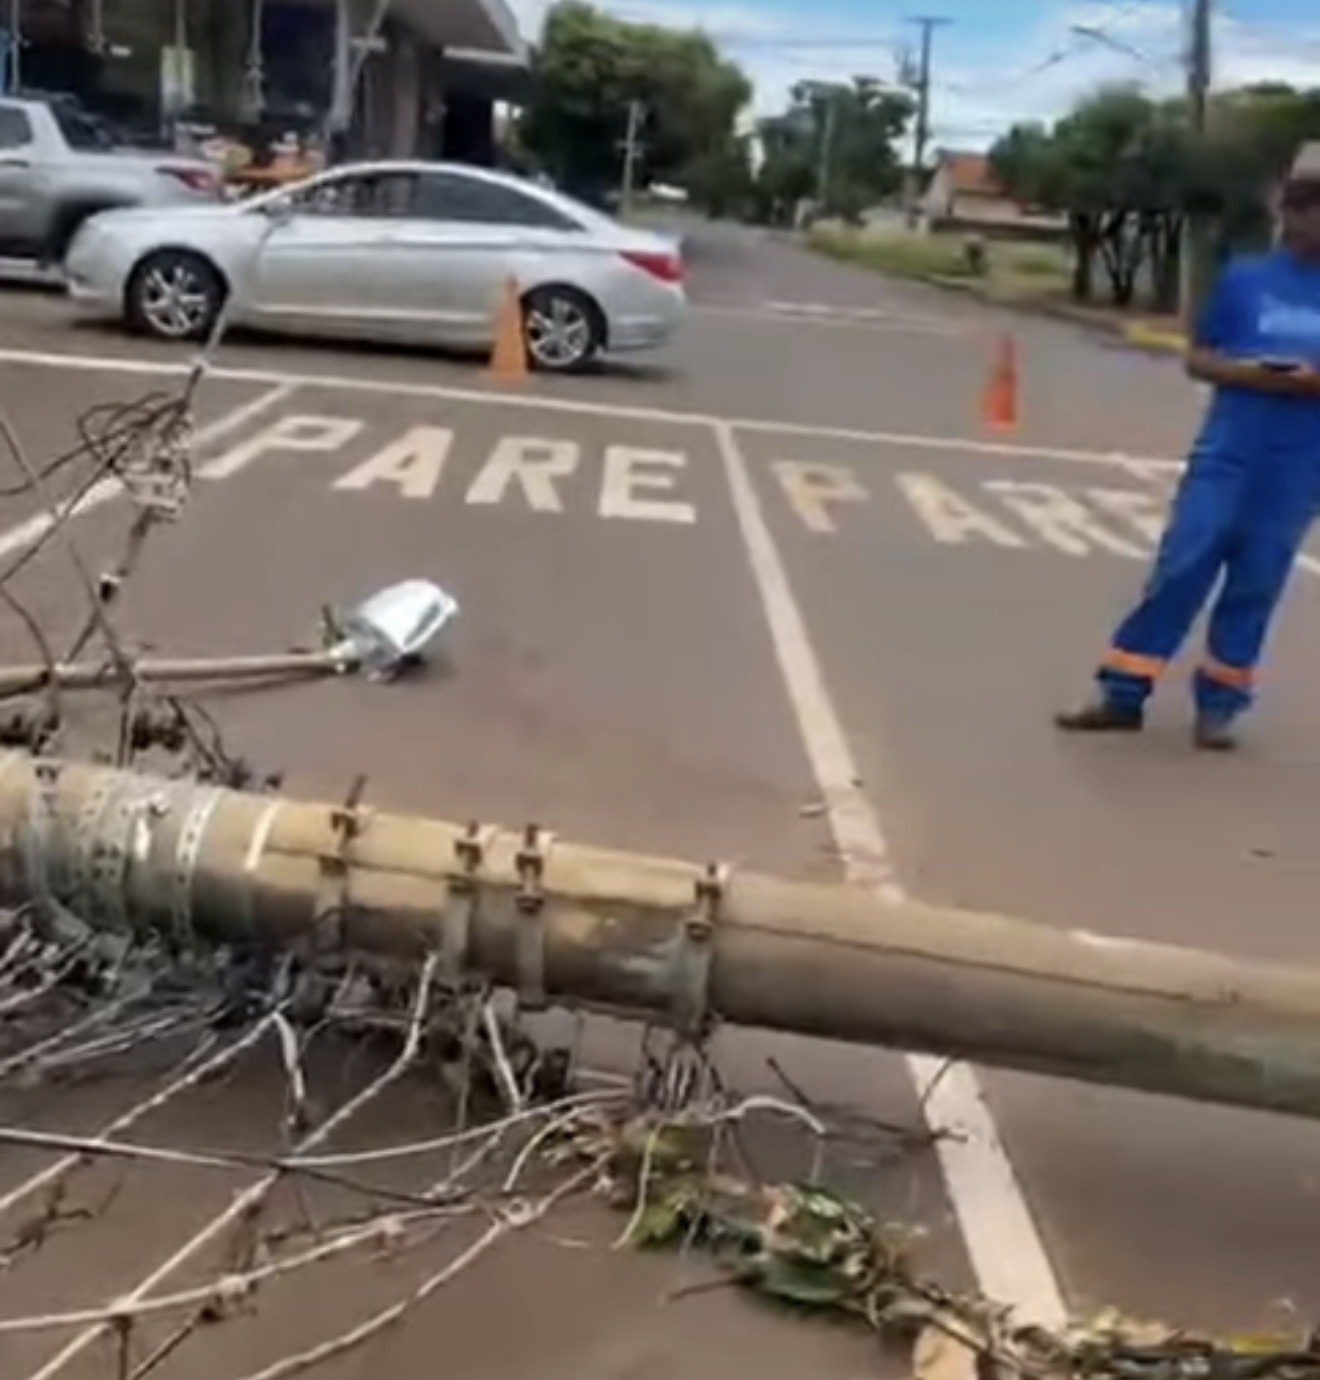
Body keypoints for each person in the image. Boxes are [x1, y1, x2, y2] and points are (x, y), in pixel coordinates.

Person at [1057, 146, 1320, 751]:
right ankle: (1122, 693)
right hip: (1227, 452)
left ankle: (1220, 706)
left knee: (1257, 583)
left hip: (1299, 466)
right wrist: (1248, 373)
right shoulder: (1246, 279)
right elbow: (1198, 358)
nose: (1311, 223)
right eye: (1304, 210)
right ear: (1287, 214)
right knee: (1182, 566)